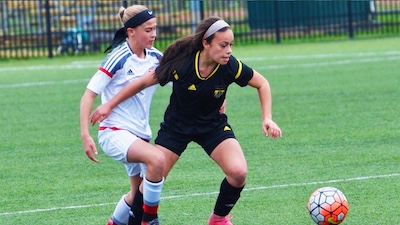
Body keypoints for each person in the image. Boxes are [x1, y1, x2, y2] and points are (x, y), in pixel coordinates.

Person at [90, 16, 282, 225]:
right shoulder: (182, 63)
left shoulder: (230, 66)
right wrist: (109, 105)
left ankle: (218, 219)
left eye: (231, 45)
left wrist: (267, 118)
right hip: (176, 128)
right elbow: (142, 82)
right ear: (206, 44)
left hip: (212, 127)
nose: (229, 51)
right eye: (223, 45)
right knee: (153, 180)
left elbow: (262, 83)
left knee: (238, 172)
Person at [80, 5, 165, 225]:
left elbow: (183, 77)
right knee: (157, 160)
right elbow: (88, 96)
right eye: (148, 30)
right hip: (114, 132)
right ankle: (150, 221)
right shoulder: (118, 57)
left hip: (140, 135)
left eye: (155, 28)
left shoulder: (156, 57)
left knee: (137, 194)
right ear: (131, 31)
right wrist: (85, 135)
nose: (153, 34)